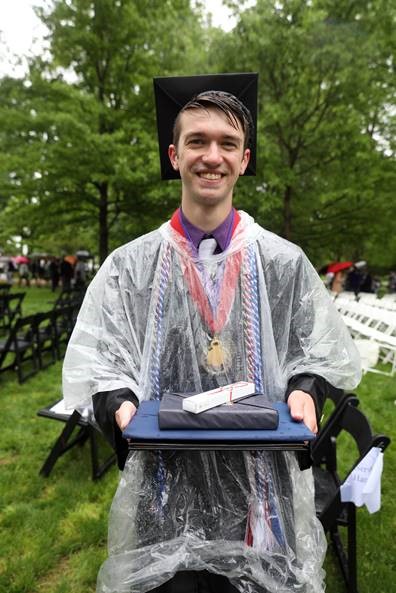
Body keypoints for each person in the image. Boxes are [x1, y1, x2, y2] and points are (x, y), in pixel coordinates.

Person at [63, 73, 361, 593]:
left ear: (244, 160)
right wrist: (118, 403)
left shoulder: (282, 263)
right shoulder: (130, 267)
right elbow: (102, 357)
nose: (212, 156)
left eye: (228, 143)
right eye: (197, 141)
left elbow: (316, 349)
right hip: (165, 485)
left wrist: (305, 388)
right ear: (174, 154)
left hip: (259, 486)